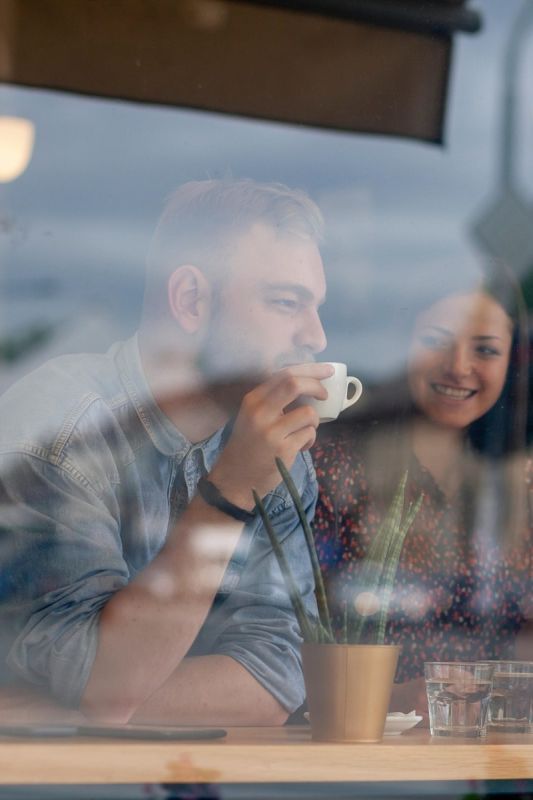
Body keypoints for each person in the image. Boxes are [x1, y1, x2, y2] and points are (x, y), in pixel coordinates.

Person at [0, 178, 332, 725]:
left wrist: (79, 708)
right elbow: (103, 677)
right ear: (191, 300)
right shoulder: (58, 431)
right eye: (286, 302)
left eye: (316, 306)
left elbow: (277, 676)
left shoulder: (277, 452)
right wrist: (228, 495)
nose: (316, 335)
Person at [312, 270, 532, 718]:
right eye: (437, 340)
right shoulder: (335, 467)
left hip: (488, 752)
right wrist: (388, 699)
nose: (458, 366)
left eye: (486, 349)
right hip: (360, 745)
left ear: (512, 361)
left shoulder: (515, 484)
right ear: (401, 345)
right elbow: (283, 640)